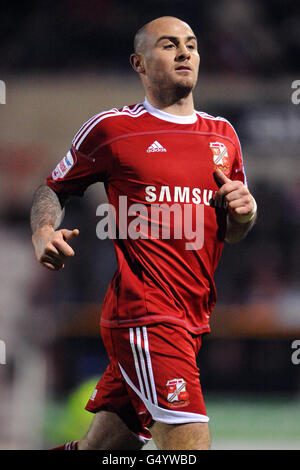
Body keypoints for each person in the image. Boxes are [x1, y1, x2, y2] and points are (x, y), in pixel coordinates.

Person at [30, 16, 257, 450]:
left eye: (191, 44)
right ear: (139, 62)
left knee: (101, 452)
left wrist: (246, 213)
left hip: (192, 318)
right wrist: (43, 230)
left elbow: (233, 231)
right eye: (169, 45)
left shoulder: (223, 135)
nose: (185, 52)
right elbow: (53, 188)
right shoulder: (113, 129)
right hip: (146, 314)